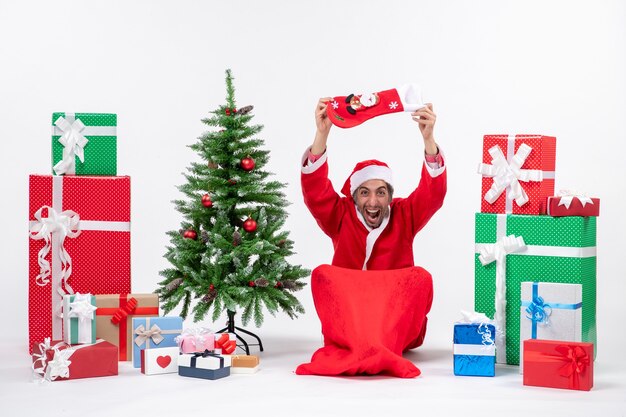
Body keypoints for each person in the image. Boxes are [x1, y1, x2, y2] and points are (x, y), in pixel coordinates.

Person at [301, 98, 447, 271]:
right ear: (354, 197)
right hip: (349, 296)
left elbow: (433, 195)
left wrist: (428, 139)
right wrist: (322, 133)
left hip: (395, 296)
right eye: (364, 193)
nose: (372, 202)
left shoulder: (404, 216)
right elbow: (315, 193)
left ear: (390, 197)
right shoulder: (341, 216)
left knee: (422, 277)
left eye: (380, 192)